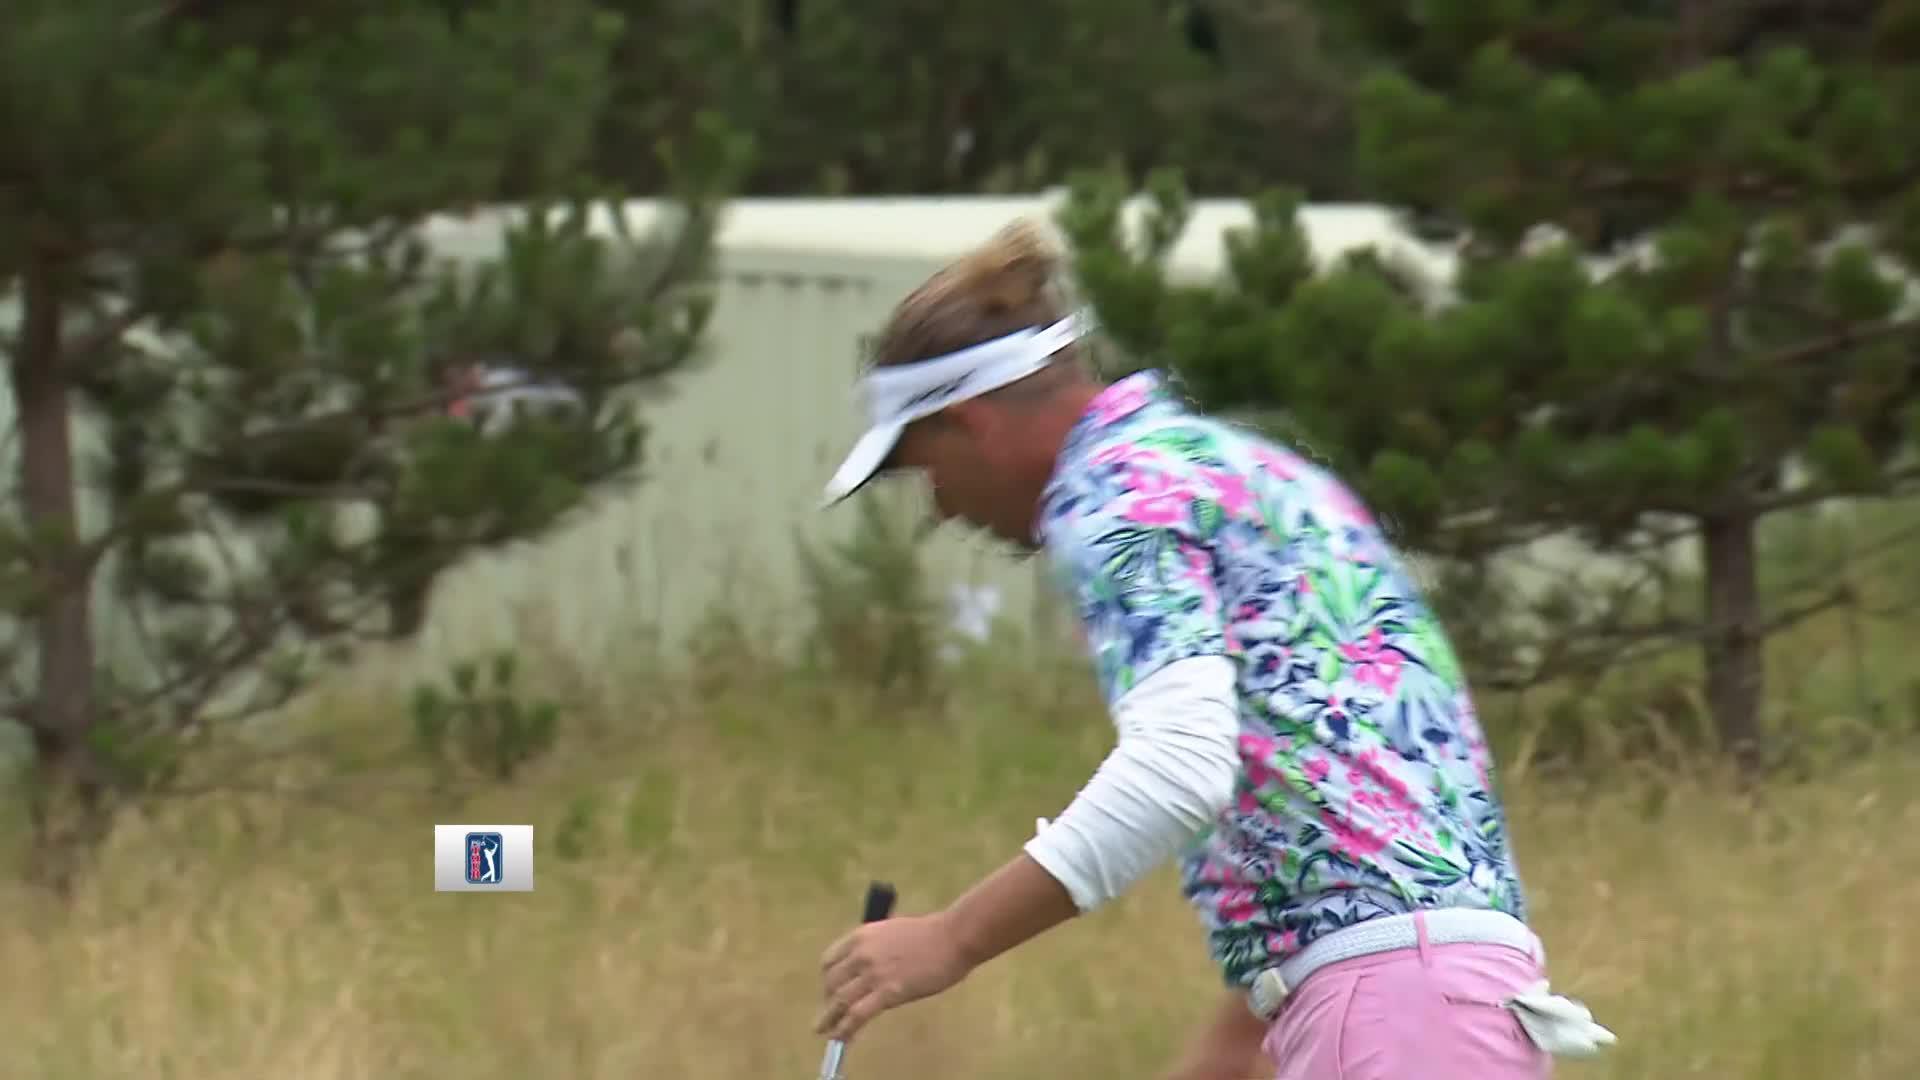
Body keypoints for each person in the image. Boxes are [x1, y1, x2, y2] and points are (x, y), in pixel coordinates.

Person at [814, 220, 1614, 1079]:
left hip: (1389, 1006)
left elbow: (1178, 769)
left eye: (926, 468)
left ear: (971, 423)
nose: (939, 509)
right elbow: (1337, 826)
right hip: (1443, 1000)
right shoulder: (1234, 473)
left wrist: (951, 939)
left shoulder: (1116, 499)